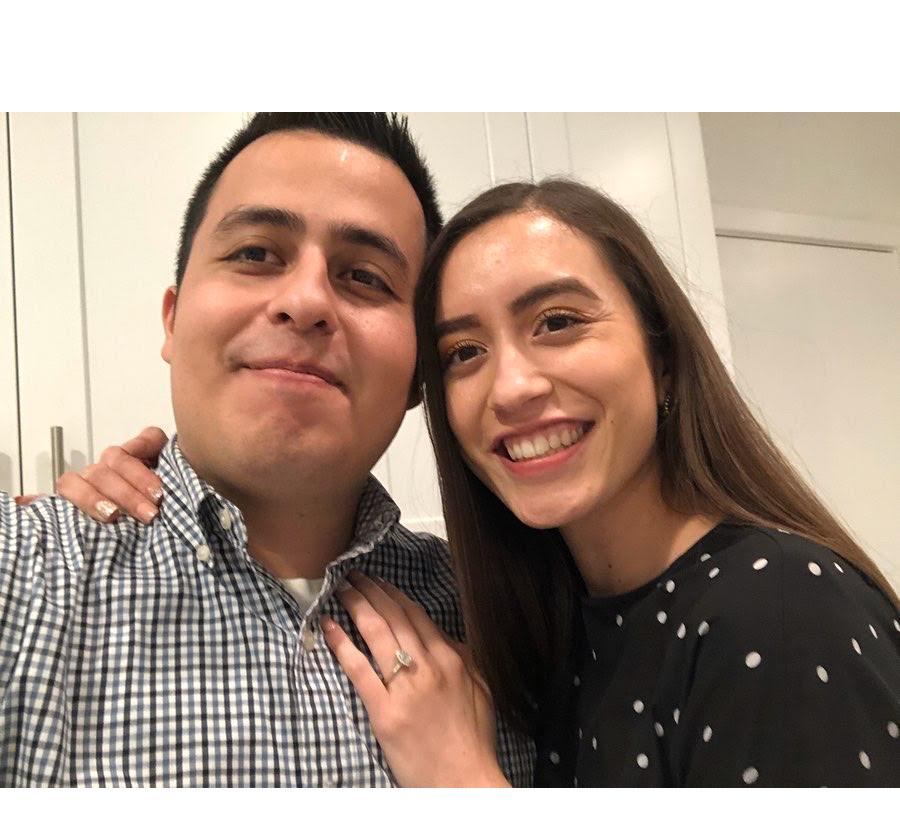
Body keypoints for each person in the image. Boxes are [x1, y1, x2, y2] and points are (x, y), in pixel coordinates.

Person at [71, 178, 900, 787]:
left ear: (664, 357)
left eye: (558, 322)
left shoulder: (781, 607)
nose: (511, 388)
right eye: (464, 352)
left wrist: (465, 787)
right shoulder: (530, 616)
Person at [0, 113, 534, 787]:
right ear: (172, 319)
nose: (306, 301)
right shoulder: (21, 575)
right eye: (255, 254)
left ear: (417, 376)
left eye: (365, 276)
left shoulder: (506, 617)